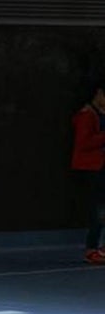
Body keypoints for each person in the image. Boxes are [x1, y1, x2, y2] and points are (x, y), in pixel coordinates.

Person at [70, 83, 105, 264]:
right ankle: (92, 249)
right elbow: (84, 143)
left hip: (100, 168)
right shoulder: (87, 115)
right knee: (97, 210)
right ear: (98, 94)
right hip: (91, 169)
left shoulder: (99, 114)